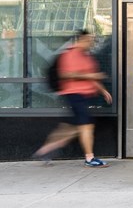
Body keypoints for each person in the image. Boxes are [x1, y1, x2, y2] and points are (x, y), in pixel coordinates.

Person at [33, 30, 112, 167]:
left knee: (72, 127)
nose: (91, 42)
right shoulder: (70, 54)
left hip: (85, 96)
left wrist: (102, 90)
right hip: (74, 95)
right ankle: (90, 159)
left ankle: (45, 150)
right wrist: (92, 77)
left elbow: (91, 75)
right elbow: (67, 74)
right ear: (80, 39)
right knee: (86, 125)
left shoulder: (86, 56)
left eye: (92, 39)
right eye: (88, 39)